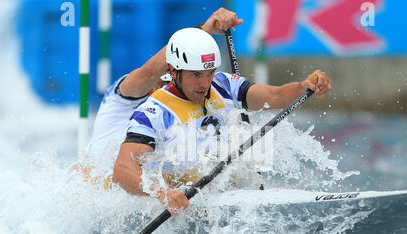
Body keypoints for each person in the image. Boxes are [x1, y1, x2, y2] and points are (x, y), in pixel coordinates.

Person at [112, 27, 332, 216]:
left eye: (209, 73)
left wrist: (303, 87)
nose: (205, 83)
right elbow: (122, 170)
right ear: (173, 70)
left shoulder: (224, 84)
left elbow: (275, 96)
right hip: (182, 205)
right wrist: (163, 194)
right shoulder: (153, 112)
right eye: (196, 75)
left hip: (224, 193)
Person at [79, 8, 244, 185]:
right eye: (161, 81)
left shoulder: (173, 114)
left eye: (168, 85)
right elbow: (149, 72)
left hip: (144, 192)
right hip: (99, 188)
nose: (164, 88)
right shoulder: (121, 99)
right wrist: (204, 32)